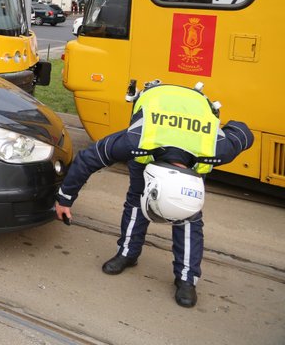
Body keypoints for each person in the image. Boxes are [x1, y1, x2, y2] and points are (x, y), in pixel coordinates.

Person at [55, 80, 253, 308]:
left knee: (188, 215)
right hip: (154, 130)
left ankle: (187, 279)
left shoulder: (218, 149)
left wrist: (220, 129)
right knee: (138, 198)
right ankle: (127, 253)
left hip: (192, 152)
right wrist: (65, 199)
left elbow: (243, 131)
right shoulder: (137, 140)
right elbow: (89, 158)